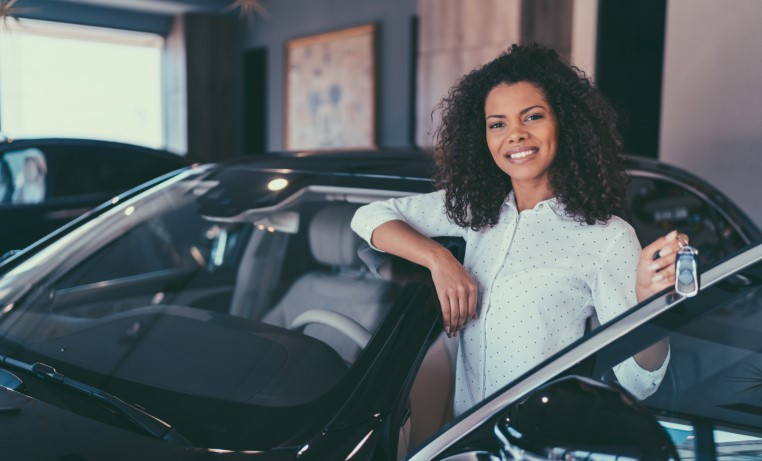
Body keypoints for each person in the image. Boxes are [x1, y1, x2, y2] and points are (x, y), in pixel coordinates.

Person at [351, 44, 683, 416]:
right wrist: (438, 259)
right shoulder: (473, 209)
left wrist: (651, 306)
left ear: (565, 123)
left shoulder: (607, 238)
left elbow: (640, 383)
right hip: (464, 443)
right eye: (498, 124)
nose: (515, 135)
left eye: (533, 117)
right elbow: (368, 218)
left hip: (536, 444)